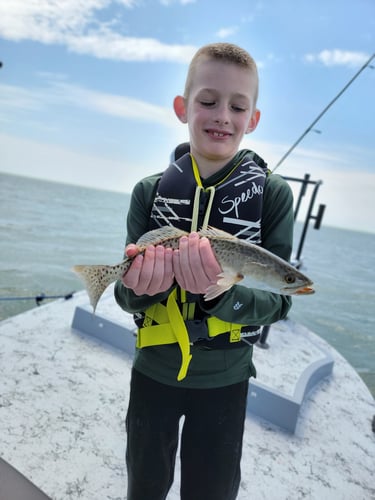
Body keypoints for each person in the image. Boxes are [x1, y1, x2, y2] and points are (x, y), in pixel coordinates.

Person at [114, 42, 294, 500]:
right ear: (182, 107)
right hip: (153, 368)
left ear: (253, 119)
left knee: (211, 490)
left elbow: (280, 301)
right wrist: (138, 287)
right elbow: (125, 295)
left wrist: (221, 294)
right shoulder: (148, 192)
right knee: (145, 483)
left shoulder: (272, 196)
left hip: (227, 376)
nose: (222, 116)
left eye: (238, 106)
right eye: (208, 101)